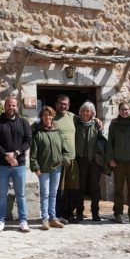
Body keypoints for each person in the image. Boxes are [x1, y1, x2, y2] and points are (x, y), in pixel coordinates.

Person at [0, 95, 32, 233]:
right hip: (2, 165)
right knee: (2, 195)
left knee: (21, 194)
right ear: (5, 106)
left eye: (13, 105)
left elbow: (28, 141)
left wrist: (16, 153)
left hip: (19, 165)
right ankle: (0, 221)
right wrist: (6, 155)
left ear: (17, 106)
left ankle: (23, 220)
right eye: (9, 105)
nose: (11, 107)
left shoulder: (24, 123)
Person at [30, 106, 70, 230]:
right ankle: (45, 219)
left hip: (56, 168)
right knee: (45, 194)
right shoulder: (38, 133)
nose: (48, 117)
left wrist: (64, 160)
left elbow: (65, 150)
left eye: (50, 115)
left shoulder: (57, 132)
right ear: (41, 117)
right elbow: (33, 154)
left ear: (53, 116)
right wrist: (35, 167)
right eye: (45, 115)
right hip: (43, 169)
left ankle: (53, 218)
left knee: (53, 194)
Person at [106, 102, 130, 224]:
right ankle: (118, 213)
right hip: (118, 162)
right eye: (122, 109)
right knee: (118, 189)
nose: (124, 111)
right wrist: (110, 159)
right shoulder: (114, 126)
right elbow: (110, 143)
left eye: (126, 109)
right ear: (119, 111)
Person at [74, 101, 109, 222]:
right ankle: (79, 212)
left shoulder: (96, 124)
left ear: (92, 113)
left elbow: (104, 139)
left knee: (94, 187)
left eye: (88, 111)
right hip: (80, 159)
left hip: (94, 161)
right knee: (80, 187)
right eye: (83, 110)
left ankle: (95, 213)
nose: (85, 112)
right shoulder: (76, 123)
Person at [51, 94, 80, 223]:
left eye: (66, 104)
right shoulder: (51, 118)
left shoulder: (73, 117)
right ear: (56, 104)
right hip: (59, 161)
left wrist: (97, 120)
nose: (63, 106)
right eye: (61, 103)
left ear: (69, 105)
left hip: (73, 159)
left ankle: (70, 214)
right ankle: (59, 215)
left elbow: (87, 119)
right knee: (60, 190)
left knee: (73, 188)